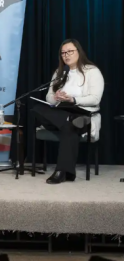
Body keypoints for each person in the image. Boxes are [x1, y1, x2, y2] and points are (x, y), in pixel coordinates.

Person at [34, 39, 104, 184]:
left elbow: (95, 99)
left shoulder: (92, 71)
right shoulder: (59, 73)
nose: (66, 55)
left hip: (83, 113)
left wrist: (73, 99)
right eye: (63, 53)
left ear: (79, 52)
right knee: (37, 108)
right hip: (61, 112)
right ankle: (69, 118)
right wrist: (56, 97)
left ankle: (61, 171)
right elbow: (48, 98)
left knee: (69, 127)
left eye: (70, 51)